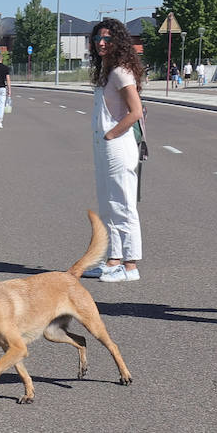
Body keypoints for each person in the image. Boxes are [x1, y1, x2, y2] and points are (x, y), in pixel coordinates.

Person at [83, 19, 145, 282]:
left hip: (118, 146)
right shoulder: (107, 70)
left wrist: (111, 134)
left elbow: (136, 112)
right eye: (98, 38)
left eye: (107, 38)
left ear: (118, 41)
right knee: (108, 205)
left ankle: (130, 265)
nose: (101, 43)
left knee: (123, 204)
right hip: (105, 146)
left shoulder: (121, 71)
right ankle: (113, 259)